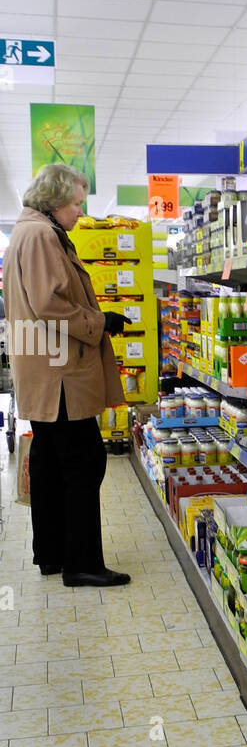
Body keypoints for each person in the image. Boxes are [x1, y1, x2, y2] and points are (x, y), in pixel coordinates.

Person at [4, 164, 131, 587]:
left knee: (51, 462)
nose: (80, 212)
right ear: (55, 199)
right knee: (83, 461)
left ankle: (52, 553)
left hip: (43, 366)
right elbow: (50, 304)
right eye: (77, 203)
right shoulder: (41, 236)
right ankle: (82, 563)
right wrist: (99, 322)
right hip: (58, 372)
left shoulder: (30, 231)